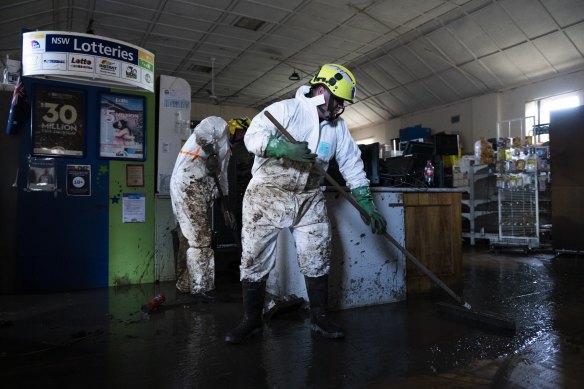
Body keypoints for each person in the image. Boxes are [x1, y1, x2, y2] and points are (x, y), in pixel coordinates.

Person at [225, 64, 387, 344]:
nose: (338, 108)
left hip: (308, 196)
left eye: (342, 104)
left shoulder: (337, 128)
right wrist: (282, 148)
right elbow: (253, 136)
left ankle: (320, 317)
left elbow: (351, 162)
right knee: (253, 258)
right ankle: (251, 320)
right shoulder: (286, 109)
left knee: (317, 255)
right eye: (336, 101)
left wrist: (365, 201)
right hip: (268, 193)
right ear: (321, 90)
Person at [169, 116, 236, 300]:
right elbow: (200, 132)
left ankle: (184, 283)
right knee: (201, 237)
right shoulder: (219, 123)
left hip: (199, 189)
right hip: (188, 182)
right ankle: (201, 287)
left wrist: (226, 209)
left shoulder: (227, 152)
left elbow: (223, 181)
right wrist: (211, 153)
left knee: (187, 237)